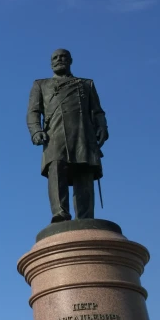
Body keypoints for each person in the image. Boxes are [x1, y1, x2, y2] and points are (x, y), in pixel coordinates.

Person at [26, 49, 109, 223]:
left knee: (84, 172)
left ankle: (85, 218)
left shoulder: (86, 84)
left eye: (63, 57)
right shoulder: (41, 85)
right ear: (51, 63)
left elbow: (97, 111)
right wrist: (36, 131)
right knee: (56, 170)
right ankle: (60, 213)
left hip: (83, 134)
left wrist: (102, 127)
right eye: (55, 58)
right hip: (54, 135)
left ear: (70, 60)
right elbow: (33, 112)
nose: (59, 60)